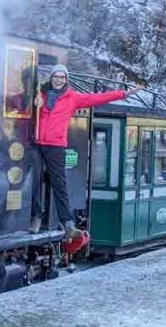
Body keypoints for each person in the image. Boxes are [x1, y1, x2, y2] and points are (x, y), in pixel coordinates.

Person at [30, 65, 141, 237]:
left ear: (66, 80)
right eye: (56, 76)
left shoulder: (72, 98)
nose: (58, 79)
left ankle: (67, 223)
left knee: (59, 183)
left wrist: (123, 94)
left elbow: (97, 98)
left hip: (56, 145)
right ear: (51, 78)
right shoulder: (40, 94)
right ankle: (36, 216)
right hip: (37, 142)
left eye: (62, 77)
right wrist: (32, 102)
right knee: (34, 181)